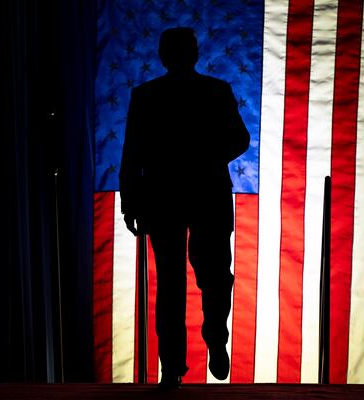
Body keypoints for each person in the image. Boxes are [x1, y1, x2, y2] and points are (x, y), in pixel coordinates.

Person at [119, 27, 250, 389]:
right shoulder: (214, 91)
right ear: (194, 54)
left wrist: (130, 200)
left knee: (179, 283)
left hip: (168, 196)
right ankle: (198, 348)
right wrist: (206, 160)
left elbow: (131, 155)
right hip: (199, 195)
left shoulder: (147, 96)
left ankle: (178, 363)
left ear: (164, 56)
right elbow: (239, 139)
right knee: (207, 278)